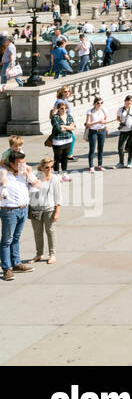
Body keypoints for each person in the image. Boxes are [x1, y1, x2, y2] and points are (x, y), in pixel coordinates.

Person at [1, 151, 46, 280]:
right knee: (6, 240)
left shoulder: (24, 174)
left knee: (16, 238)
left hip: (23, 209)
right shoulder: (3, 173)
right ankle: (7, 268)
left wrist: (29, 174)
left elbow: (39, 186)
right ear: (11, 164)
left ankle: (16, 263)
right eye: (20, 163)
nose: (23, 165)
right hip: (9, 210)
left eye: (24, 162)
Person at [26, 156, 61, 265]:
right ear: (41, 167)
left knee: (50, 231)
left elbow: (58, 196)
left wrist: (57, 211)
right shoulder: (35, 177)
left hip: (49, 209)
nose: (49, 169)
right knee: (37, 233)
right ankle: (39, 254)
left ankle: (52, 254)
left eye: (51, 167)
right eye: (47, 167)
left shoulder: (55, 178)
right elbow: (28, 191)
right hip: (35, 208)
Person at [48, 103, 76, 180]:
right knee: (57, 158)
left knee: (65, 158)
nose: (64, 110)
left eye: (65, 108)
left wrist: (65, 127)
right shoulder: (55, 117)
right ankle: (56, 174)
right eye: (61, 108)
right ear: (58, 109)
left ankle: (64, 173)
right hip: (58, 141)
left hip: (68, 140)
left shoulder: (69, 116)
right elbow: (58, 129)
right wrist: (68, 127)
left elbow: (73, 127)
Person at [83, 96, 108, 173]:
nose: (99, 104)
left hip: (102, 130)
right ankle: (91, 166)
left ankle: (99, 165)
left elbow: (106, 120)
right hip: (93, 131)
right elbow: (87, 124)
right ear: (94, 103)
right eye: (98, 103)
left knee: (101, 148)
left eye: (101, 103)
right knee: (92, 149)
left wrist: (106, 129)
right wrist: (97, 122)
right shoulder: (90, 111)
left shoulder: (104, 110)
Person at [115, 95, 132, 169]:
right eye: (128, 101)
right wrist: (121, 121)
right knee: (120, 147)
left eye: (131, 101)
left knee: (130, 147)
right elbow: (118, 118)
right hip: (123, 130)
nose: (130, 102)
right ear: (125, 101)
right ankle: (121, 162)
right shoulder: (121, 109)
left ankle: (129, 162)